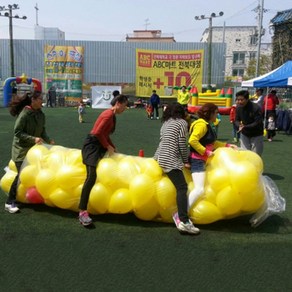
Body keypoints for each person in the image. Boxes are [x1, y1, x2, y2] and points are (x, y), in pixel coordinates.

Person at [78, 94, 128, 226]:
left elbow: (104, 134)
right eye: (125, 105)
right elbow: (98, 133)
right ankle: (82, 211)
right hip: (92, 146)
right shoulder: (108, 115)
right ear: (118, 103)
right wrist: (107, 146)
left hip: (99, 144)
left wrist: (112, 147)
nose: (125, 108)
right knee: (91, 176)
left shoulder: (111, 115)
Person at [5, 91, 55, 213]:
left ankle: (26, 196)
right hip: (21, 150)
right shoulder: (25, 114)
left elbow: (42, 130)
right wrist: (33, 139)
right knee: (21, 176)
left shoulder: (40, 114)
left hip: (34, 151)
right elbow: (17, 132)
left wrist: (49, 140)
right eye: (40, 99)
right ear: (33, 100)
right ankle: (9, 202)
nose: (42, 101)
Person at [154, 103, 200, 235]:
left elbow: (161, 141)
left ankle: (178, 217)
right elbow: (181, 143)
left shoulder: (166, 123)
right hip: (170, 159)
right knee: (182, 188)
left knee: (178, 186)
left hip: (161, 157)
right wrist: (186, 160)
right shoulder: (182, 123)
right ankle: (184, 221)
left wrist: (155, 158)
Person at [188, 103, 236, 211]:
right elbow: (192, 140)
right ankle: (182, 214)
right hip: (197, 160)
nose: (217, 115)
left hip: (202, 160)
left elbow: (212, 143)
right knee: (199, 189)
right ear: (209, 113)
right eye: (216, 113)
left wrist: (227, 145)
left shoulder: (207, 124)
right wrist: (205, 152)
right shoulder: (201, 125)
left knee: (202, 188)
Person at [234, 90, 264, 156]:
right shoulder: (238, 108)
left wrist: (245, 126)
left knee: (255, 156)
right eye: (238, 100)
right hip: (245, 133)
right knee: (244, 154)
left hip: (256, 134)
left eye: (242, 100)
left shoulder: (255, 108)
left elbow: (257, 122)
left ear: (247, 99)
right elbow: (236, 120)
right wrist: (239, 125)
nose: (239, 102)